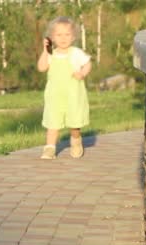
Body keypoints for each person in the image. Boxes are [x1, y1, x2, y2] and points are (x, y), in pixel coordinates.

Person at [37, 16, 91, 159]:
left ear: (73, 37)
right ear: (52, 37)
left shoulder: (76, 53)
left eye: (67, 34)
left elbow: (87, 63)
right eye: (59, 35)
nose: (63, 38)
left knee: (74, 124)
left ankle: (76, 141)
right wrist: (45, 49)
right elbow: (42, 67)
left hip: (73, 95)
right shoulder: (51, 54)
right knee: (52, 122)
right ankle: (49, 148)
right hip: (55, 96)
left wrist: (82, 73)